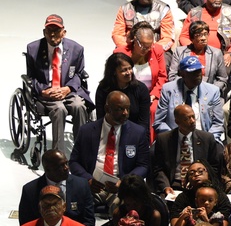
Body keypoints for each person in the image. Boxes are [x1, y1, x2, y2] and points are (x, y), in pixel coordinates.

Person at [26, 14, 92, 156]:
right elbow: (30, 77)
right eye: (49, 30)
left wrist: (67, 89)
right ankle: (58, 156)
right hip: (46, 94)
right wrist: (43, 90)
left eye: (56, 30)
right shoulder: (33, 49)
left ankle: (82, 153)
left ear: (64, 32)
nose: (52, 34)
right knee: (59, 109)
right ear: (44, 32)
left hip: (68, 90)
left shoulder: (76, 49)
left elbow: (79, 74)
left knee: (79, 106)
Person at [69, 91, 150, 199]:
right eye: (120, 109)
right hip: (92, 186)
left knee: (122, 210)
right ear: (107, 109)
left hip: (122, 189)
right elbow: (74, 162)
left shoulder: (138, 133)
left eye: (128, 109)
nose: (125, 113)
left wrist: (124, 183)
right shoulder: (86, 131)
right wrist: (88, 180)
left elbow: (143, 166)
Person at [18, 149, 95, 226]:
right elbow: (25, 225)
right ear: (47, 169)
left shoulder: (81, 185)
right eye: (61, 165)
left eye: (66, 163)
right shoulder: (30, 191)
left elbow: (89, 220)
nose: (66, 168)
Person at [95, 53, 150, 135]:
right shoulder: (103, 89)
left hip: (135, 134)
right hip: (110, 134)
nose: (129, 73)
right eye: (124, 70)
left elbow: (143, 122)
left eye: (130, 68)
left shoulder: (141, 89)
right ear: (114, 72)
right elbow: (101, 118)